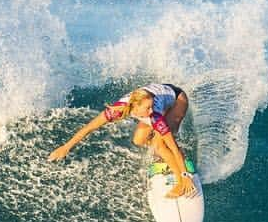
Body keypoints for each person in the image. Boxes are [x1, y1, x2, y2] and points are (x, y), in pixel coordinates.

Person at [48, 83, 197, 198]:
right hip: (161, 98)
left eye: (151, 108)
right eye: (147, 108)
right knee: (139, 140)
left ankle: (180, 175)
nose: (150, 111)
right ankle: (168, 158)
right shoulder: (116, 111)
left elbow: (173, 145)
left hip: (177, 100)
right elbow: (89, 128)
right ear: (135, 106)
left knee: (161, 144)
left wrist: (184, 176)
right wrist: (66, 147)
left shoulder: (153, 114)